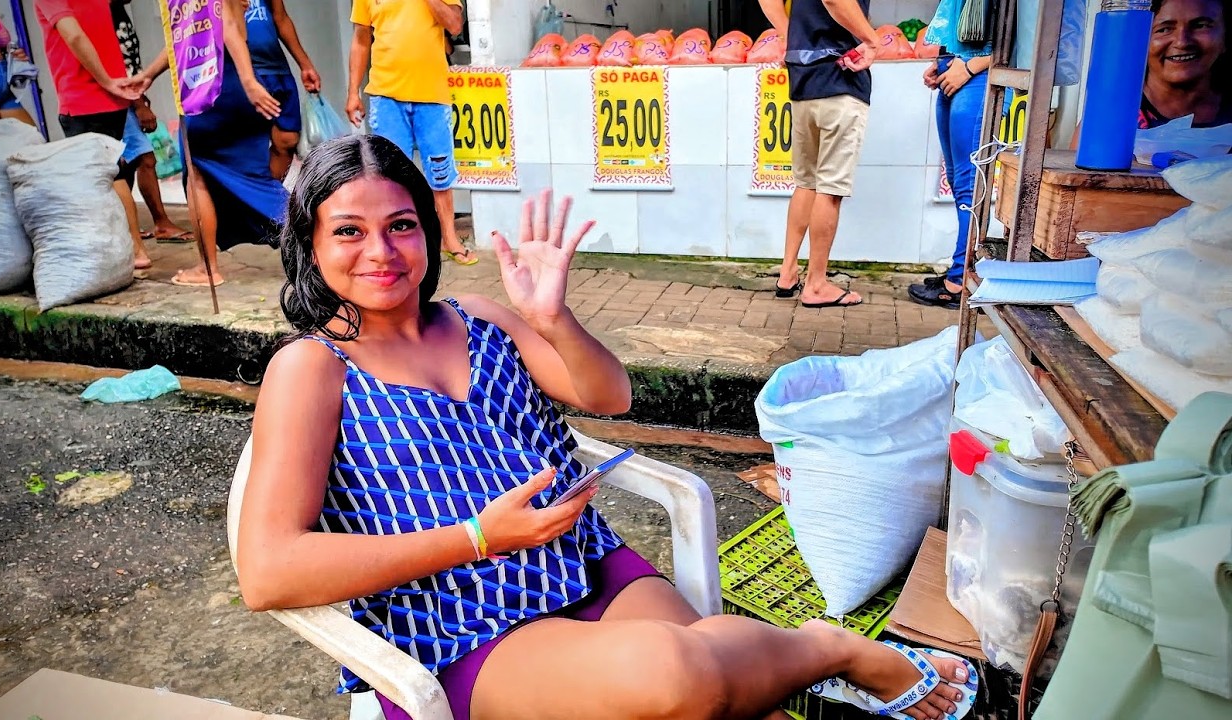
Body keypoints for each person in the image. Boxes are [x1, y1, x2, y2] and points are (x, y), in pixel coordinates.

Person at [236, 132, 978, 720]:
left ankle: (812, 663)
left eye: (400, 225)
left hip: (583, 564)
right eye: (349, 232)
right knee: (678, 673)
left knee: (731, 703)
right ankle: (830, 651)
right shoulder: (312, 368)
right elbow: (269, 572)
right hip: (461, 626)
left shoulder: (478, 318)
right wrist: (479, 539)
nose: (381, 252)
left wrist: (553, 319)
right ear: (310, 244)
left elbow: (610, 395)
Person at [137, 0, 286, 288]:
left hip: (213, 90)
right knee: (253, 178)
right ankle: (316, 229)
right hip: (230, 85)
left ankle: (207, 268)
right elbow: (183, 38)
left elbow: (226, 27)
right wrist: (148, 76)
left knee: (197, 175)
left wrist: (249, 81)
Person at [760, 0, 879, 309]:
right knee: (829, 188)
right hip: (840, 77)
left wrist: (791, 35)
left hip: (802, 80)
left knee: (806, 182)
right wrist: (871, 38)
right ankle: (816, 284)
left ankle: (788, 273)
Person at [345, 0, 479, 266]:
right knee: (390, 175)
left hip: (432, 94)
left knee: (440, 170)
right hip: (386, 96)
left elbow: (453, 24)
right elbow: (361, 40)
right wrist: (352, 92)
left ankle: (449, 239)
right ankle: (398, 241)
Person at [33, 0, 151, 272]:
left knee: (105, 178)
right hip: (112, 97)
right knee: (116, 172)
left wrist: (105, 80)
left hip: (83, 95)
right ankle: (131, 246)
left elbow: (73, 34)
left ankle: (134, 250)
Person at [906, 0, 994, 310]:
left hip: (977, 73)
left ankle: (960, 281)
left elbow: (1023, 39)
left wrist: (970, 65)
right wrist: (944, 61)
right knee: (959, 179)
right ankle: (961, 269)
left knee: (970, 182)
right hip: (955, 66)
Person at [110, 0, 191, 243]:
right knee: (144, 159)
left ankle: (131, 229)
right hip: (118, 99)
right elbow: (115, 66)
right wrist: (139, 105)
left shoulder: (117, 12)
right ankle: (159, 224)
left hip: (129, 97)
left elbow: (130, 64)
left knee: (130, 162)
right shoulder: (103, 14)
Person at [243, 0, 320, 181]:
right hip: (245, 72)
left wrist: (305, 64)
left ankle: (267, 202)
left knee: (288, 139)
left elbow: (281, 18)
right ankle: (254, 203)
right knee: (248, 146)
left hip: (277, 68)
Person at [1140, 0, 1229, 128]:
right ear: (1140, 38)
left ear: (1224, 37)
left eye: (1200, 26)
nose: (1182, 42)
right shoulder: (1111, 108)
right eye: (1164, 29)